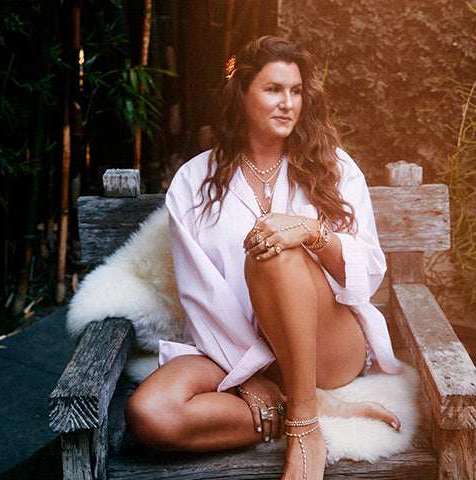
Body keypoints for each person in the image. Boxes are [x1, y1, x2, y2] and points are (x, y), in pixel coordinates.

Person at [124, 36, 403, 480]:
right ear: (241, 94)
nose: (288, 103)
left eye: (295, 91)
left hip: (328, 344)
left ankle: (305, 430)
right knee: (150, 413)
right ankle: (302, 404)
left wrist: (311, 232)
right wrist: (247, 376)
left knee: (274, 249)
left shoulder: (334, 167)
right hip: (232, 346)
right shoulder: (193, 182)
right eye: (273, 89)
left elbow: (367, 274)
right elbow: (201, 295)